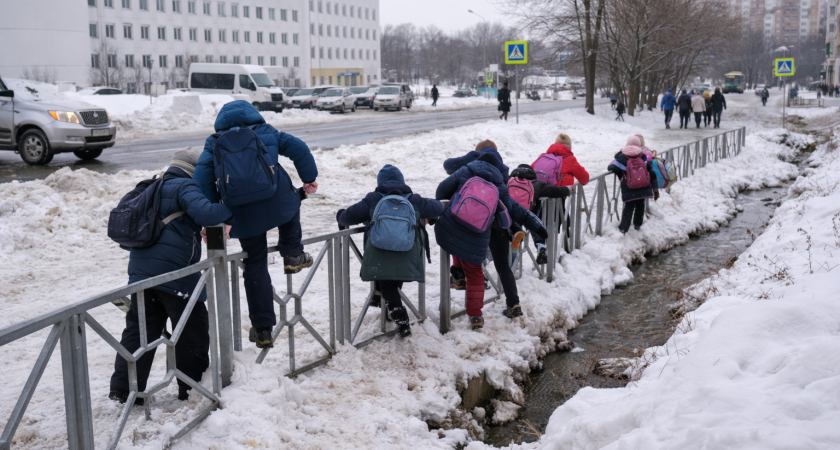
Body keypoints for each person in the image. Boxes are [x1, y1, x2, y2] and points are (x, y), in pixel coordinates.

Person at [110, 149, 233, 405]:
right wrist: (229, 208)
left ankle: (125, 390)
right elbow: (207, 214)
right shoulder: (185, 186)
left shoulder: (152, 186)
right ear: (194, 170)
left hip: (142, 276)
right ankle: (192, 389)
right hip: (176, 276)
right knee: (191, 331)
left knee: (140, 333)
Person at [194, 101, 319, 349]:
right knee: (292, 201)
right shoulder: (266, 132)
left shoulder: (214, 143)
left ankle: (263, 329)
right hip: (278, 202)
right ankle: (293, 253)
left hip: (242, 213)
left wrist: (216, 218)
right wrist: (309, 179)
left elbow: (202, 180)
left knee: (255, 265)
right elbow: (300, 149)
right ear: (253, 114)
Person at [435, 151, 547, 330]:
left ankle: (455, 281)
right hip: (480, 232)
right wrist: (537, 226)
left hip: (453, 227)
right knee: (477, 273)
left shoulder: (465, 170)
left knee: (454, 249)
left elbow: (441, 190)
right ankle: (476, 317)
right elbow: (513, 209)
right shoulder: (500, 185)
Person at [335, 165, 443, 338]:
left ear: (380, 182)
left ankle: (401, 320)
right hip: (406, 251)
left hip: (379, 251)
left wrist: (340, 215)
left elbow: (348, 216)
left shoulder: (374, 198)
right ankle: (389, 309)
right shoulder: (412, 198)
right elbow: (438, 208)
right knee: (394, 280)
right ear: (401, 181)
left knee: (387, 283)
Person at [508, 164, 570, 264]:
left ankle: (512, 264)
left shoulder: (509, 181)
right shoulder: (538, 183)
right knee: (535, 225)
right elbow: (554, 191)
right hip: (530, 213)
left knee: (513, 239)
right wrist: (567, 190)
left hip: (512, 214)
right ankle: (541, 247)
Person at [607, 136, 656, 234]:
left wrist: (621, 175)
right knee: (640, 205)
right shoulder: (642, 155)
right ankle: (637, 225)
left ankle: (624, 228)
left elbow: (611, 167)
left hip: (629, 186)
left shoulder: (622, 156)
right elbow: (649, 168)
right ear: (639, 145)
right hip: (643, 185)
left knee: (629, 206)